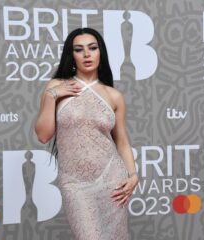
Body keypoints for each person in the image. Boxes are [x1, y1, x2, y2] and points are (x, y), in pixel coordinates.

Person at [35, 27, 138, 240]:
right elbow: (43, 135)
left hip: (112, 180)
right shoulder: (56, 86)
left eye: (92, 48)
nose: (87, 54)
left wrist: (133, 175)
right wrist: (51, 96)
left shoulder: (113, 95)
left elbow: (122, 142)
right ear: (71, 55)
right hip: (74, 183)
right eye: (79, 49)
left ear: (101, 52)